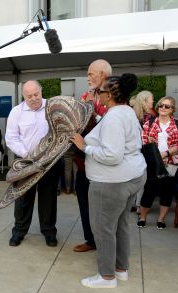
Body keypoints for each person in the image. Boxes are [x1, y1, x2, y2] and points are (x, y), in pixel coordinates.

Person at [71, 73, 146, 288]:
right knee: (121, 225)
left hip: (112, 182)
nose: (97, 94)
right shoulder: (126, 112)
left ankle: (106, 277)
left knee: (103, 229)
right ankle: (121, 269)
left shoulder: (114, 117)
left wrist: (84, 147)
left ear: (110, 94)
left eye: (100, 91)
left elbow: (113, 155)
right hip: (132, 176)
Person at [5, 80, 59, 247]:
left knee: (48, 198)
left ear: (41, 91)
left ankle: (49, 232)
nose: (34, 98)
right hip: (25, 162)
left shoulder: (52, 107)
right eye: (29, 96)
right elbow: (11, 138)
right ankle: (19, 232)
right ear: (24, 96)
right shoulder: (16, 112)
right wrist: (27, 155)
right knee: (22, 198)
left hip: (49, 162)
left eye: (36, 94)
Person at [73, 59, 112, 253]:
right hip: (83, 162)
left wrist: (92, 110)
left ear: (103, 74)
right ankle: (90, 240)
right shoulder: (86, 95)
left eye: (91, 74)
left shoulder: (115, 96)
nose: (87, 78)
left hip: (105, 165)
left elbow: (110, 127)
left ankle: (104, 244)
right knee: (84, 202)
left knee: (104, 209)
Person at [137, 97, 178, 229]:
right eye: (161, 105)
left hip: (171, 164)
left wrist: (165, 153)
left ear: (173, 109)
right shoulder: (149, 123)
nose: (163, 108)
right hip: (153, 163)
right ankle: (142, 217)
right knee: (149, 190)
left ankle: (161, 219)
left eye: (167, 106)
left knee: (167, 192)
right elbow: (143, 142)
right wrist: (154, 151)